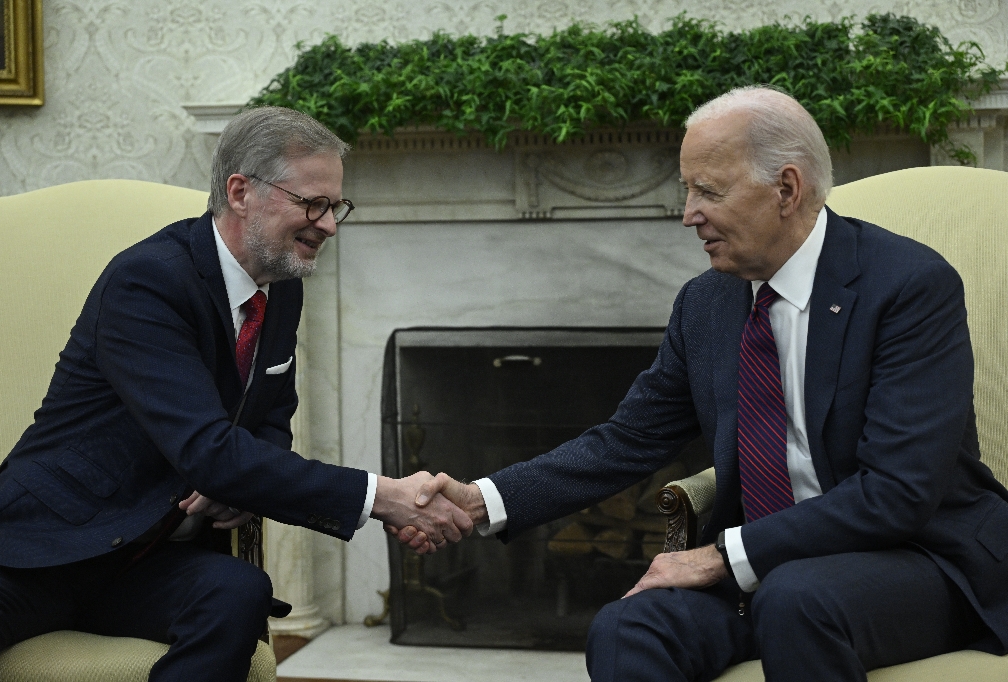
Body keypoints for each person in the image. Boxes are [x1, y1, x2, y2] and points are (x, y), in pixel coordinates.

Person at [406, 86, 1008, 681]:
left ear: (787, 189)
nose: (689, 212)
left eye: (709, 191)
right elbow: (626, 440)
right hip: (770, 574)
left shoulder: (908, 287)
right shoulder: (707, 302)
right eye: (687, 189)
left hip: (919, 559)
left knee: (797, 597)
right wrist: (485, 498)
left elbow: (898, 492)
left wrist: (723, 556)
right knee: (625, 627)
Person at [0, 106, 470, 682]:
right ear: (241, 192)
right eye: (312, 203)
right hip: (40, 548)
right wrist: (380, 496)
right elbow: (208, 449)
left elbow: (269, 418)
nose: (330, 224)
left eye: (335, 206)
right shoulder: (148, 281)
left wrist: (245, 490)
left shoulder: (280, 286)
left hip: (146, 559)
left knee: (238, 592)